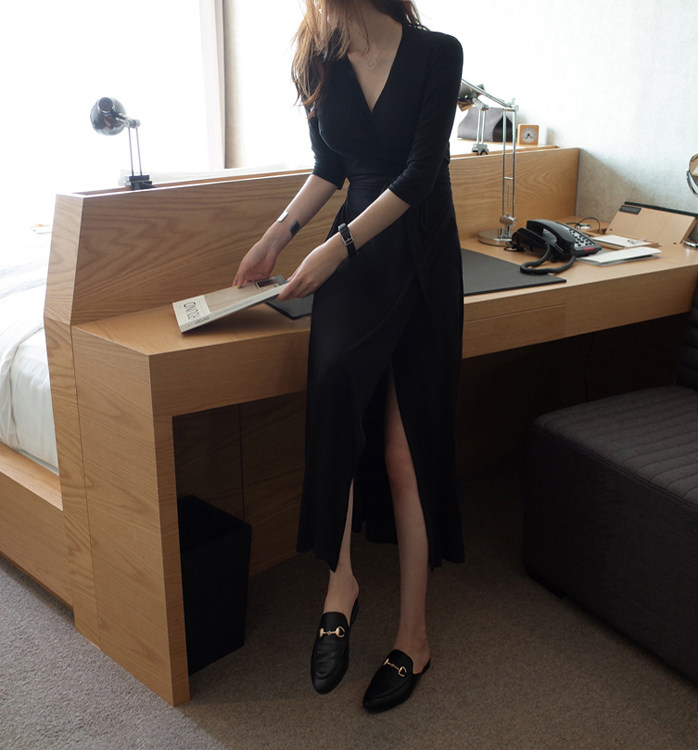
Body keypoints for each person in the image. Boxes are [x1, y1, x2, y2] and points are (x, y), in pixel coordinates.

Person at [233, 0, 465, 713]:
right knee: (334, 398)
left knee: (404, 451)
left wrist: (336, 247)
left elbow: (421, 174)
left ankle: (414, 637)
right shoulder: (315, 58)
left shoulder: (438, 53)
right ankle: (341, 587)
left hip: (418, 252)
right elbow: (330, 166)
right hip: (356, 255)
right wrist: (276, 235)